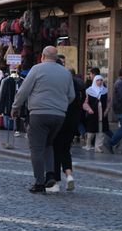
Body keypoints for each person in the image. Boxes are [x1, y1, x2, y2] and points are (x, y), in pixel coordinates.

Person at [11, 46, 75, 194]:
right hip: (59, 116)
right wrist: (60, 105)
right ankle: (51, 175)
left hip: (39, 114)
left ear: (42, 56)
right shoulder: (66, 73)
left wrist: (15, 107)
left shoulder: (37, 69)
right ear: (57, 57)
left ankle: (39, 182)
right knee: (48, 144)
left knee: (37, 148)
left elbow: (23, 91)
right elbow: (71, 95)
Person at [50, 63, 85, 192]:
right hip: (73, 122)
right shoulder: (81, 86)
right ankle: (69, 175)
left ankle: (56, 182)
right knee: (66, 150)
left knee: (55, 151)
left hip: (61, 119)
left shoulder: (64, 85)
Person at [83, 75, 110, 152]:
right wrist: (89, 109)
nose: (100, 82)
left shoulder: (105, 91)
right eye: (98, 80)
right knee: (91, 131)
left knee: (101, 131)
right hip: (93, 113)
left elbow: (109, 102)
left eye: (101, 80)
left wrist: (107, 110)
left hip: (102, 113)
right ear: (95, 81)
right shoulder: (89, 91)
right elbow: (85, 102)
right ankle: (88, 144)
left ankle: (98, 147)